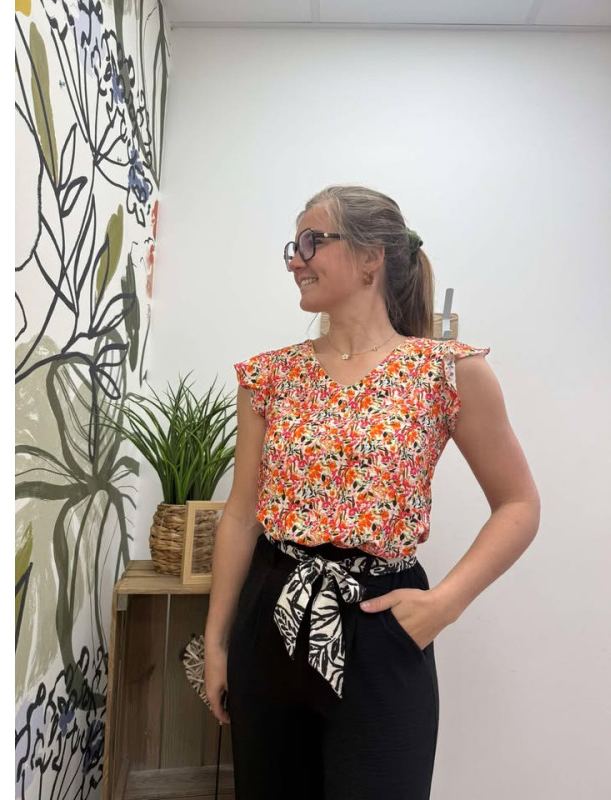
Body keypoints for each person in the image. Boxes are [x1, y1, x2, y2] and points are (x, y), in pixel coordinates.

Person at [204, 185, 541, 800]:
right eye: (292, 246)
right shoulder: (267, 376)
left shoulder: (445, 372)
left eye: (312, 242)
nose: (295, 259)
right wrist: (217, 642)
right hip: (272, 615)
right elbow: (241, 516)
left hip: (382, 625)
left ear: (370, 258)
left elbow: (519, 504)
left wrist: (445, 604)